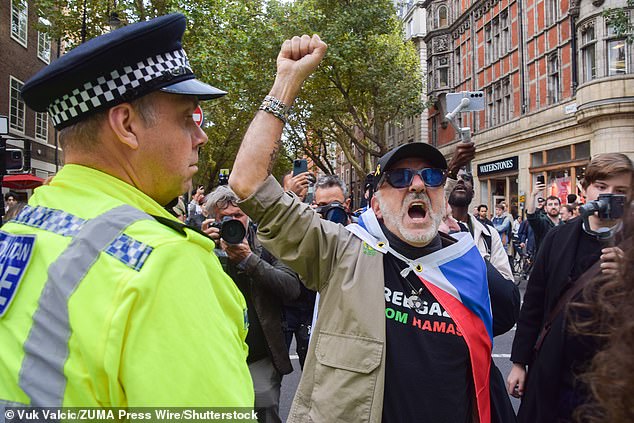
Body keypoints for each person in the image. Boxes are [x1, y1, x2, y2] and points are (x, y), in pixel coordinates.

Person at [229, 34, 519, 423]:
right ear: (376, 202)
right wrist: (286, 81)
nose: (417, 185)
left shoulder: (466, 263)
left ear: (442, 195)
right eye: (399, 178)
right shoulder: (340, 252)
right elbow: (247, 183)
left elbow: (504, 323)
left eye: (430, 176)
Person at [0, 14, 253, 408]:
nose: (201, 136)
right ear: (126, 124)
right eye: (187, 117)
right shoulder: (164, 264)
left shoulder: (20, 229)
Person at [506, 153, 633, 423]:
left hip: (612, 378)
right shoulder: (559, 237)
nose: (609, 196)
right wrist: (519, 362)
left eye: (620, 191)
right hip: (555, 369)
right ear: (584, 189)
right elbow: (534, 303)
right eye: (601, 187)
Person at [203, 185, 300, 423]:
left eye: (238, 215)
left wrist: (249, 260)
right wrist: (199, 247)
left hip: (259, 353)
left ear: (248, 215)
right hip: (215, 352)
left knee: (264, 409)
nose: (234, 222)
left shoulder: (269, 242)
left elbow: (291, 288)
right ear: (213, 221)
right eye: (225, 218)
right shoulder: (201, 245)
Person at [572, 211, 633, 422]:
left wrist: (628, 275)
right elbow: (537, 299)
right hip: (574, 357)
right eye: (601, 186)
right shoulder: (567, 234)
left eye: (620, 191)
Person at [447, 169, 514, 280]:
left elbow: (506, 280)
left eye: (466, 179)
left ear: (473, 193)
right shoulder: (431, 231)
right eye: (455, 178)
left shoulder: (490, 234)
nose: (460, 181)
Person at [527, 185, 562, 252]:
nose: (553, 207)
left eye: (556, 204)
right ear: (545, 208)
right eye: (550, 204)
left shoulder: (564, 225)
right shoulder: (542, 223)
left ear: (560, 207)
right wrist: (533, 195)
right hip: (544, 260)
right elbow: (531, 215)